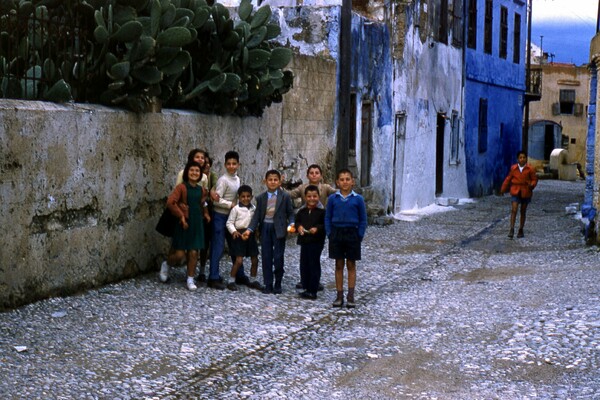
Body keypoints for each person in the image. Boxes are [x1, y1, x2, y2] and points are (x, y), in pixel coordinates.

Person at [160, 149, 209, 284]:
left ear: (200, 174)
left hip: (196, 222)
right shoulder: (181, 187)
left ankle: (190, 279)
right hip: (184, 223)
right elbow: (171, 202)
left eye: (197, 171)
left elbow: (203, 202)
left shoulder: (201, 190)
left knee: (194, 253)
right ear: (187, 172)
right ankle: (166, 264)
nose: (194, 173)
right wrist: (181, 215)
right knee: (180, 254)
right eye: (192, 170)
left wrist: (206, 213)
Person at [243, 170, 295, 294]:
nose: (272, 182)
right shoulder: (261, 198)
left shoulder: (285, 196)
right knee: (266, 256)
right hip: (265, 228)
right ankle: (268, 283)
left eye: (275, 180)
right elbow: (256, 216)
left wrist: (291, 223)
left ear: (280, 181)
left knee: (278, 257)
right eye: (270, 180)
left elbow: (291, 213)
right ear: (265, 181)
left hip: (279, 229)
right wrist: (250, 229)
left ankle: (278, 282)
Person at [288, 164, 336, 291]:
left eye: (317, 173)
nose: (314, 175)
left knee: (315, 256)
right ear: (307, 175)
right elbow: (290, 194)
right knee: (305, 256)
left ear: (321, 175)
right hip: (305, 223)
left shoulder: (325, 188)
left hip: (319, 222)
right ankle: (305, 281)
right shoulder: (302, 187)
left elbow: (337, 193)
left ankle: (314, 281)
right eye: (311, 173)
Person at [325, 169, 367, 308]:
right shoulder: (332, 199)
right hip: (336, 233)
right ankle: (339, 295)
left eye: (347, 179)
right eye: (342, 179)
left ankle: (351, 295)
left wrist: (359, 234)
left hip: (352, 233)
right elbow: (328, 217)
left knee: (351, 264)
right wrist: (330, 233)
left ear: (352, 182)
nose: (345, 182)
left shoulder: (358, 199)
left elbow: (363, 219)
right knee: (338, 265)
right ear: (337, 182)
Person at [207, 150, 243, 290]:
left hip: (232, 216)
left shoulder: (237, 179)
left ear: (238, 165)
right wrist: (230, 204)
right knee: (218, 246)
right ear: (225, 165)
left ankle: (239, 274)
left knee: (235, 244)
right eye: (229, 164)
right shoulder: (223, 180)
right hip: (220, 216)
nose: (232, 166)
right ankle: (213, 277)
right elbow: (216, 200)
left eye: (234, 164)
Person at [225, 185, 263, 291]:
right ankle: (231, 280)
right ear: (239, 197)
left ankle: (253, 279)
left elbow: (256, 221)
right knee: (239, 260)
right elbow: (229, 223)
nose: (245, 199)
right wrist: (234, 231)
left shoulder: (253, 209)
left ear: (251, 196)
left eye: (248, 196)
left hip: (250, 235)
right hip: (239, 236)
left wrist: (256, 231)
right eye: (243, 196)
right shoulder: (236, 209)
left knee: (255, 259)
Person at [295, 185, 326, 300]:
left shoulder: (321, 212)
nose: (312, 199)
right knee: (304, 264)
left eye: (314, 196)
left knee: (314, 264)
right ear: (305, 197)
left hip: (316, 241)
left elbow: (324, 225)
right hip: (304, 241)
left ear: (318, 196)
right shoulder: (302, 211)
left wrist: (317, 229)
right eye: (309, 196)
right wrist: (299, 227)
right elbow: (297, 221)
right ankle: (306, 286)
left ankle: (313, 290)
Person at [500, 150, 538, 239]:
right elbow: (508, 179)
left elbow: (534, 179)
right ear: (517, 159)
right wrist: (503, 189)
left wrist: (532, 185)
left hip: (526, 191)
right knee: (514, 210)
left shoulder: (530, 169)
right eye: (520, 157)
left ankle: (521, 229)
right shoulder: (513, 168)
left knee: (523, 211)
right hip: (515, 190)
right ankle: (512, 228)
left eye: (524, 157)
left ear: (526, 159)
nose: (522, 159)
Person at [197, 153, 217, 283]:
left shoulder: (212, 176)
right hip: (195, 210)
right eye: (206, 163)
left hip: (208, 211)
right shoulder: (194, 174)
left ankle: (202, 270)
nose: (208, 165)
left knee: (205, 242)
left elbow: (214, 190)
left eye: (209, 163)